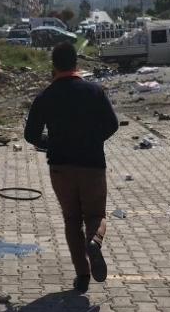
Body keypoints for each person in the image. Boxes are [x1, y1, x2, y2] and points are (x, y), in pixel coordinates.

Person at [24, 41, 119, 292]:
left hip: (60, 167)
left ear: (53, 65)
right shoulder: (94, 91)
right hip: (92, 164)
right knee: (95, 215)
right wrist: (92, 140)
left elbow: (31, 134)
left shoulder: (45, 96)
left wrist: (50, 142)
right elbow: (112, 124)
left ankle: (82, 275)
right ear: (76, 63)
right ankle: (95, 241)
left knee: (72, 219)